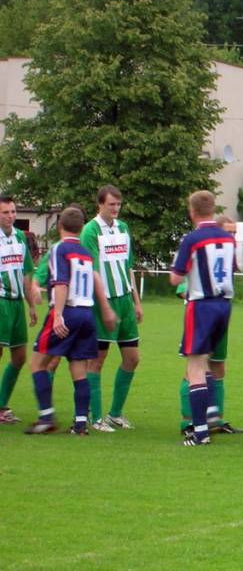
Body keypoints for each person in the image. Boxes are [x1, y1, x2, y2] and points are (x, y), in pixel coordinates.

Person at [24, 206, 117, 435]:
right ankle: (80, 424)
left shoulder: (59, 248)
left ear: (59, 226)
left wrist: (58, 315)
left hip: (68, 311)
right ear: (82, 227)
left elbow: (62, 283)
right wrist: (106, 309)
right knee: (79, 368)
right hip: (87, 314)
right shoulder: (85, 252)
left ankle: (46, 417)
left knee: (37, 363)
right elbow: (95, 278)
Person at [169, 191, 235, 446]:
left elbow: (176, 278)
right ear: (213, 209)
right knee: (207, 360)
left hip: (201, 305)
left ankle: (200, 433)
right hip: (224, 305)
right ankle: (212, 410)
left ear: (192, 211)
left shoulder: (192, 239)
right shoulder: (228, 238)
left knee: (195, 366)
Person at [80, 185, 144, 432]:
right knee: (97, 360)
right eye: (111, 205)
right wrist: (105, 306)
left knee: (132, 358)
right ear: (100, 204)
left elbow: (128, 266)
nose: (116, 209)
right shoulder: (90, 231)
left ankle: (115, 414)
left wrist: (136, 301)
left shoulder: (123, 228)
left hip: (125, 301)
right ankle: (95, 417)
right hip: (102, 302)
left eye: (118, 204)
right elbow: (93, 271)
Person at [176, 215, 243, 434]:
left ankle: (216, 418)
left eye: (234, 232)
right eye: (229, 231)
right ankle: (189, 421)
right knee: (194, 368)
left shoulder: (225, 252)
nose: (232, 236)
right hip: (200, 316)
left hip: (219, 315)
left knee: (217, 367)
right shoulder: (200, 251)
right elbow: (181, 286)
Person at [0, 195, 37, 423]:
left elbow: (25, 274)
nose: (10, 216)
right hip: (1, 301)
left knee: (20, 356)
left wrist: (31, 304)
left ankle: (2, 405)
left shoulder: (20, 237)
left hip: (16, 304)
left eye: (13, 211)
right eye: (5, 212)